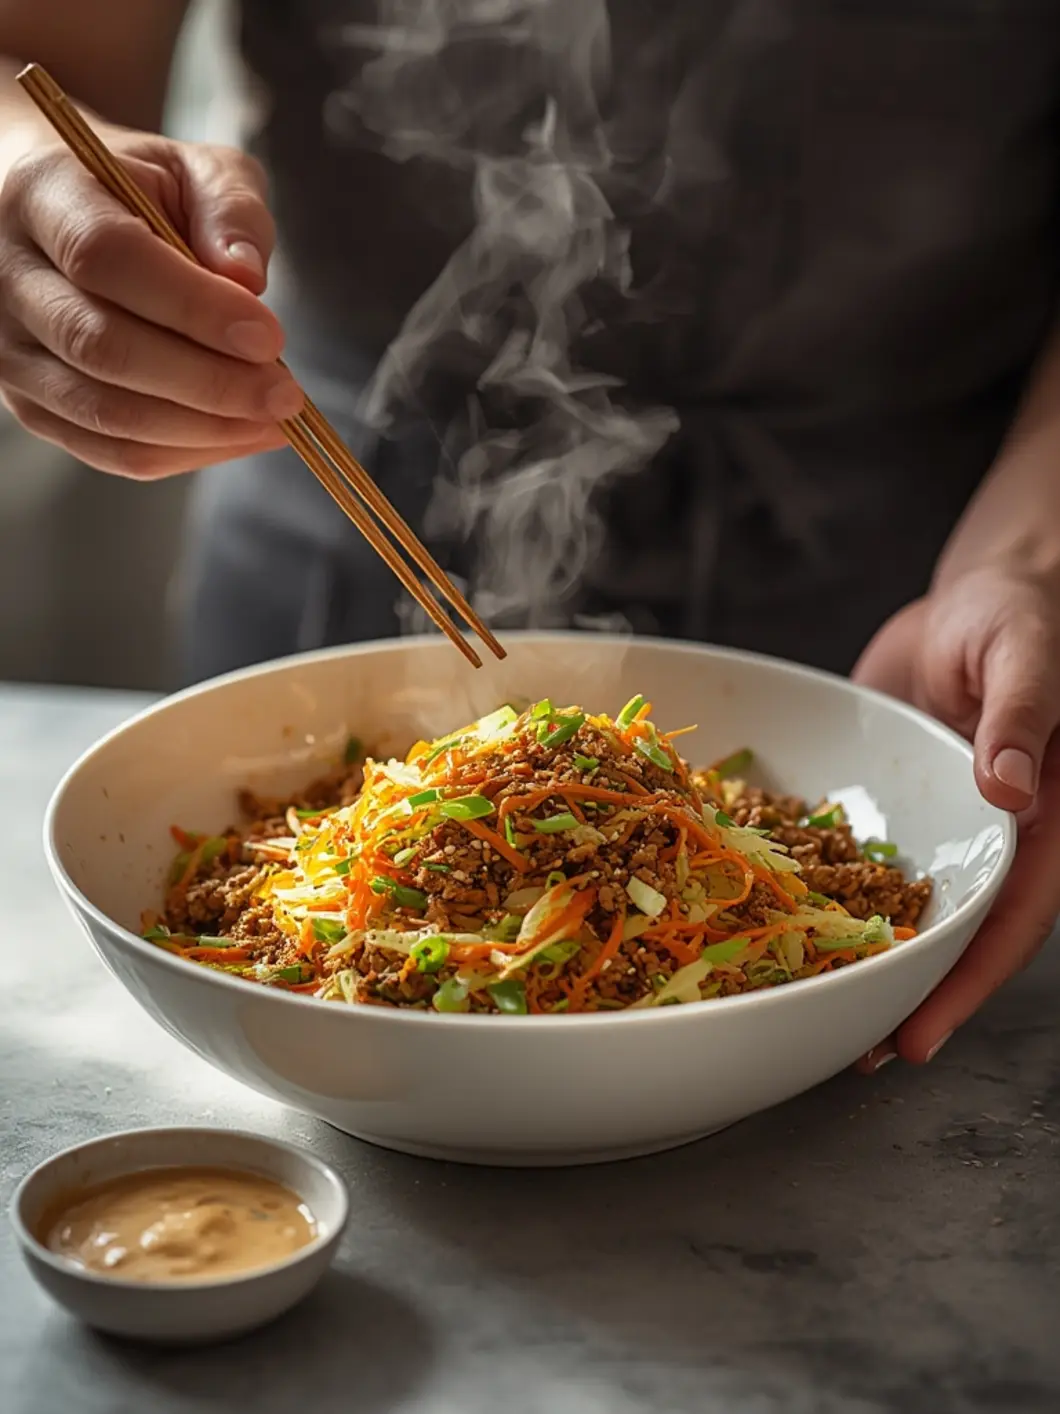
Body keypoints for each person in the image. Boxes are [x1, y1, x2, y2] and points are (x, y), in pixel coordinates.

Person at [0, 1, 1057, 1070]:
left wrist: (1032, 554)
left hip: (927, 544)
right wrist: (27, 176)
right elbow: (42, 55)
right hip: (331, 472)